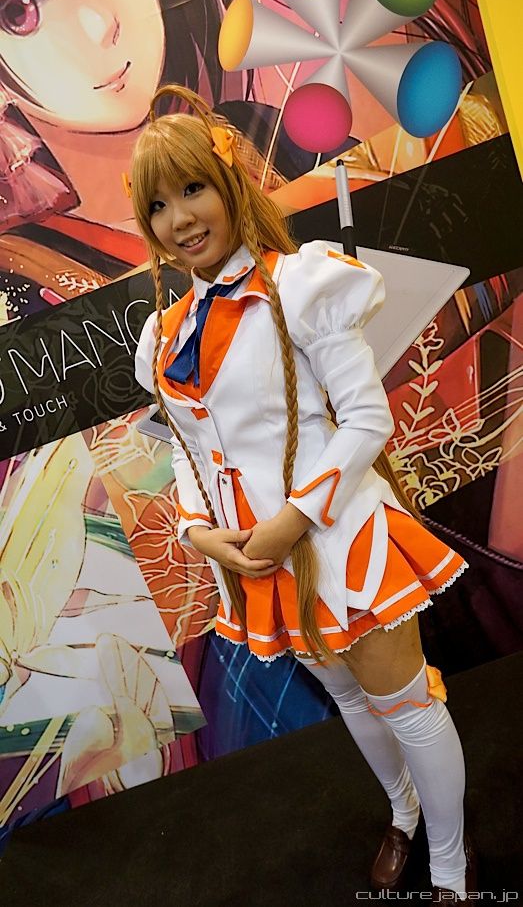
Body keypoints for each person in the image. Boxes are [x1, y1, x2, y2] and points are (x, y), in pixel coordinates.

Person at [132, 83, 475, 903]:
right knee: (348, 695)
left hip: (339, 540)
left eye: (192, 188)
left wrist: (292, 519)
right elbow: (188, 451)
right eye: (158, 205)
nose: (180, 218)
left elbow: (365, 420)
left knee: (406, 703)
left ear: (229, 184)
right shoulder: (163, 336)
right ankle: (401, 813)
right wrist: (196, 533)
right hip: (260, 560)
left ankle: (452, 865)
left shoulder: (303, 286)